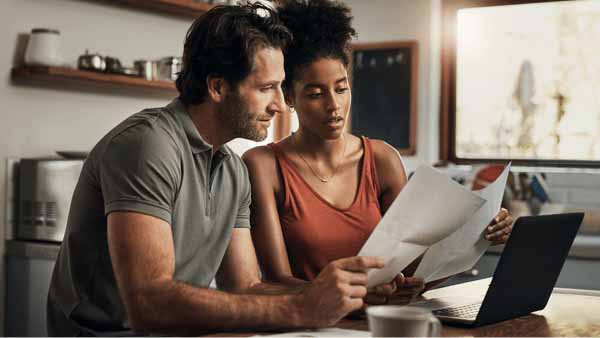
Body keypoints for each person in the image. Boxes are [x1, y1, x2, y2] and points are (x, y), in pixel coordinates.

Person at [46, 3, 386, 336]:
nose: (281, 105)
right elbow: (149, 303)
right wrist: (300, 309)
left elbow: (246, 286)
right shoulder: (148, 146)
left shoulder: (232, 171)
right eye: (267, 88)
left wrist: (342, 295)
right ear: (218, 87)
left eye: (280, 89)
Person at [243, 0, 514, 306]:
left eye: (341, 88)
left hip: (379, 324)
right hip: (308, 328)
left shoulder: (382, 159)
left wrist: (479, 235)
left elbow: (413, 267)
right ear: (289, 96)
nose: (333, 105)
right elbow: (277, 281)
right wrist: (356, 297)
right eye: (316, 94)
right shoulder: (263, 165)